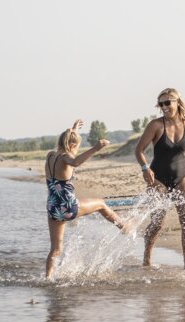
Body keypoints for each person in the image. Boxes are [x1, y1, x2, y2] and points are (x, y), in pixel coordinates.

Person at [44, 119, 127, 280]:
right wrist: (96, 147)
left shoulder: (50, 155)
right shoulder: (67, 157)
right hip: (68, 207)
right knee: (102, 204)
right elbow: (75, 161)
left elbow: (68, 141)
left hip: (52, 208)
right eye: (77, 146)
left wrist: (73, 130)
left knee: (55, 248)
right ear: (73, 146)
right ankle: (125, 227)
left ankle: (48, 278)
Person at [134, 88, 185, 270]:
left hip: (182, 177)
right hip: (158, 179)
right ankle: (147, 258)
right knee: (158, 222)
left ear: (177, 103)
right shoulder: (155, 126)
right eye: (161, 103)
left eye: (167, 103)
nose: (164, 107)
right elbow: (139, 150)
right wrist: (145, 168)